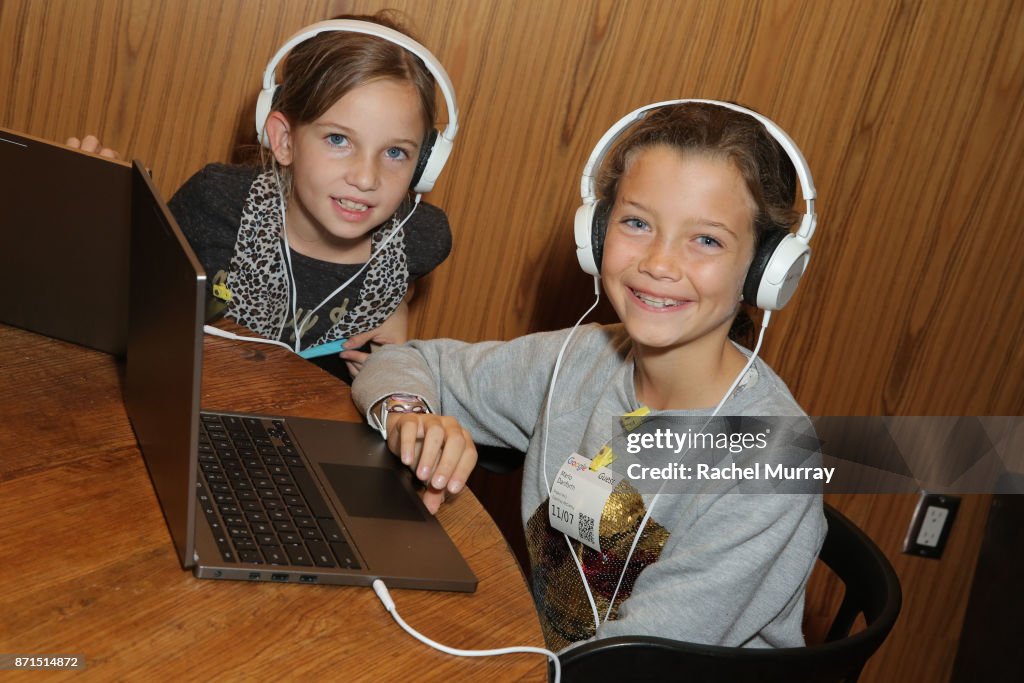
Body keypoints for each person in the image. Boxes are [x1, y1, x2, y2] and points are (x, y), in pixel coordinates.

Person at [350, 101, 826, 651]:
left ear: (767, 269)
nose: (659, 263)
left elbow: (633, 664)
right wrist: (410, 414)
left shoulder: (770, 462)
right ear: (596, 233)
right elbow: (403, 361)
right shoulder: (581, 360)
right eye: (637, 223)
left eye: (707, 240)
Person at [70, 12, 456, 382]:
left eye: (395, 153)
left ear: (424, 166)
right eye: (338, 140)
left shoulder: (420, 238)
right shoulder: (216, 203)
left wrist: (396, 362)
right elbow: (126, 306)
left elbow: (400, 301)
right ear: (285, 140)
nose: (366, 177)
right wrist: (101, 217)